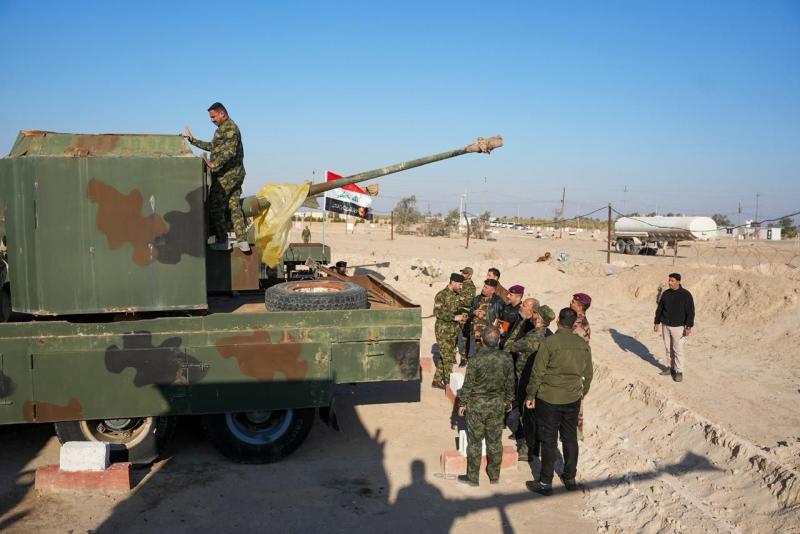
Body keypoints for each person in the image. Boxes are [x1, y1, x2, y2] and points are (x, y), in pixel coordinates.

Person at [525, 307, 593, 496]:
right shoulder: (582, 344)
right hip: (572, 398)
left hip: (549, 398)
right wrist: (581, 392)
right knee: (570, 437)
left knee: (549, 439)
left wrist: (530, 395)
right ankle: (570, 478)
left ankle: (545, 482)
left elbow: (537, 372)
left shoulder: (549, 342)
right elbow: (588, 374)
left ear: (558, 322)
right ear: (573, 324)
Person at [185, 102, 249, 252]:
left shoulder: (230, 128)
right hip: (234, 175)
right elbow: (213, 147)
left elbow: (230, 152)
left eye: (213, 117)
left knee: (215, 206)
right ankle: (242, 242)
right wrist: (193, 140)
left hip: (227, 175)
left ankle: (222, 240)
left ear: (222, 114)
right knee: (234, 206)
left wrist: (214, 164)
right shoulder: (223, 129)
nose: (212, 120)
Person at [457, 326, 515, 487]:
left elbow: (468, 384)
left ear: (481, 340)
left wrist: (462, 403)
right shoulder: (506, 358)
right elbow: (510, 382)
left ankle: (473, 477)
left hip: (476, 406)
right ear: (498, 340)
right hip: (496, 405)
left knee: (474, 442)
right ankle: (494, 475)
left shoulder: (475, 359)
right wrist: (508, 401)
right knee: (495, 441)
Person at [505, 303, 555, 460]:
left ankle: (527, 449)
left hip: (528, 379)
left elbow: (512, 346)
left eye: (536, 314)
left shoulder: (533, 336)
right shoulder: (549, 335)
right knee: (535, 415)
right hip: (542, 380)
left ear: (539, 318)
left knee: (526, 414)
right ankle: (534, 445)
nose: (533, 316)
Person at [654, 272, 694, 382]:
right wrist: (656, 322)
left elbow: (690, 312)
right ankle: (671, 368)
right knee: (668, 348)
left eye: (672, 281)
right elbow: (660, 309)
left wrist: (688, 327)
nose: (669, 282)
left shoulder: (686, 295)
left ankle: (679, 371)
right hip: (665, 325)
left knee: (678, 349)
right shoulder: (666, 294)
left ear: (678, 282)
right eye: (669, 280)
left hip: (678, 327)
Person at [432, 273, 466, 389]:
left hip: (454, 331)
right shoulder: (441, 295)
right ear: (453, 282)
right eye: (460, 284)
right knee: (448, 357)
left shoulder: (456, 295)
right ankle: (449, 383)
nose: (461, 287)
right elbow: (437, 312)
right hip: (443, 330)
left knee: (447, 355)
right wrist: (453, 317)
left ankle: (436, 380)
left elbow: (459, 309)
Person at [470, 279, 505, 351]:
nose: (483, 289)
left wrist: (498, 334)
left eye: (486, 287)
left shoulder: (498, 302)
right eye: (484, 286)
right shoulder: (477, 299)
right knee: (474, 354)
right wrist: (474, 312)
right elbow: (470, 311)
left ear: (493, 290)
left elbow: (503, 318)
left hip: (488, 336)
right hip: (475, 334)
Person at [457, 267, 477, 366]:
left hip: (465, 313)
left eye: (465, 273)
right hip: (457, 312)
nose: (462, 274)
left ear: (469, 276)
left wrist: (459, 298)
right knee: (456, 335)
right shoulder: (460, 283)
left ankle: (464, 357)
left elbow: (469, 301)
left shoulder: (471, 287)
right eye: (462, 273)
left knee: (464, 336)